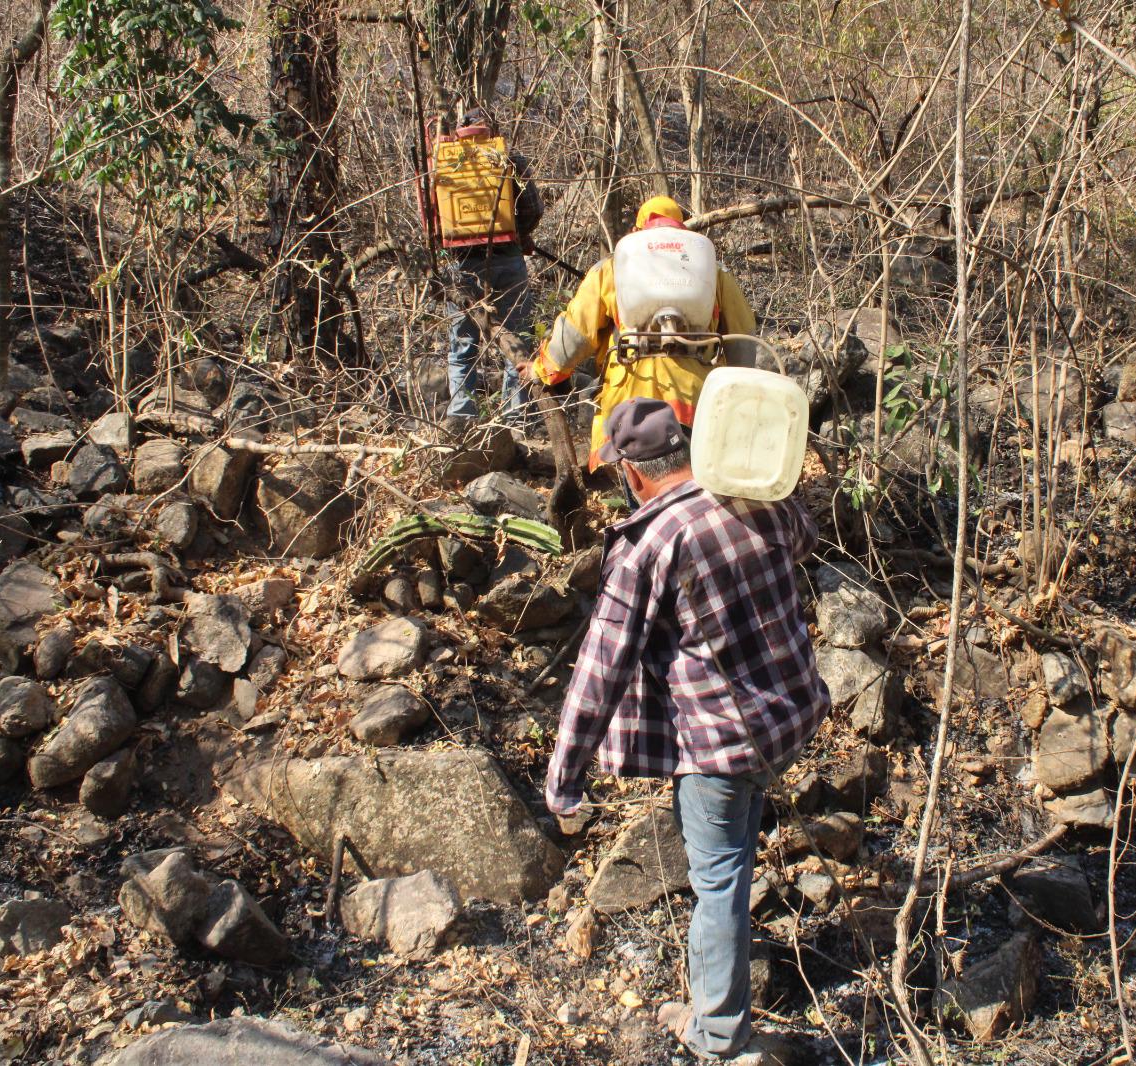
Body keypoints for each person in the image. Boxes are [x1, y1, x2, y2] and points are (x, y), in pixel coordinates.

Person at [543, 398, 829, 1061]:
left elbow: (598, 672)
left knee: (719, 882)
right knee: (732, 856)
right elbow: (806, 538)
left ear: (633, 474)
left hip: (722, 746)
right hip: (788, 721)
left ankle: (719, 1037)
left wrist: (564, 778)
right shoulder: (759, 496)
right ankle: (711, 1006)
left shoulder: (651, 543)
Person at [518, 195, 759, 471]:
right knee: (691, 486)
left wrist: (542, 370)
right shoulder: (713, 272)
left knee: (639, 486)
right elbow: (743, 340)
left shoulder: (612, 267)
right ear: (681, 228)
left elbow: (573, 336)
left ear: (638, 229)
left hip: (629, 404)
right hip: (695, 402)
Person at [430, 107, 543, 425]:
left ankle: (461, 419)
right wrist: (520, 235)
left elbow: (431, 218)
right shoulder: (507, 158)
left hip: (461, 266)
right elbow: (533, 207)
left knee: (462, 346)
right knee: (518, 341)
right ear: (492, 130)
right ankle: (516, 421)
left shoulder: (442, 160)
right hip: (507, 260)